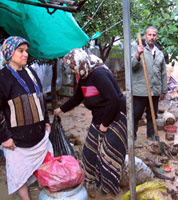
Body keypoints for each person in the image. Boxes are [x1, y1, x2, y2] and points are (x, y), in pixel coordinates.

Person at [54, 48, 127, 199]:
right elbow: (77, 98)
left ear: (80, 63)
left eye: (73, 67)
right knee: (89, 152)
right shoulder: (84, 76)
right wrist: (60, 109)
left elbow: (114, 100)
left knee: (108, 156)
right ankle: (93, 183)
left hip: (114, 118)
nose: (73, 71)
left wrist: (105, 125)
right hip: (99, 119)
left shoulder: (99, 74)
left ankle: (109, 190)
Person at [0, 36, 52, 200]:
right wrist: (4, 137)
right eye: (20, 51)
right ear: (9, 53)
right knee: (18, 172)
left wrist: (47, 121)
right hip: (16, 140)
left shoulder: (31, 72)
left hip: (38, 135)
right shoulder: (3, 78)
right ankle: (26, 198)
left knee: (46, 163)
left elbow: (40, 98)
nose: (25, 55)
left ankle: (50, 190)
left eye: (26, 51)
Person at [131, 26, 168, 140]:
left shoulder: (159, 53)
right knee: (136, 114)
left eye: (154, 35)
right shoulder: (137, 49)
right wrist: (138, 54)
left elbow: (163, 73)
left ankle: (151, 135)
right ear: (145, 36)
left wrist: (163, 90)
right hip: (140, 90)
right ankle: (133, 135)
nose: (152, 37)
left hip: (155, 90)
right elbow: (132, 66)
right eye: (149, 35)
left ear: (156, 37)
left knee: (152, 115)